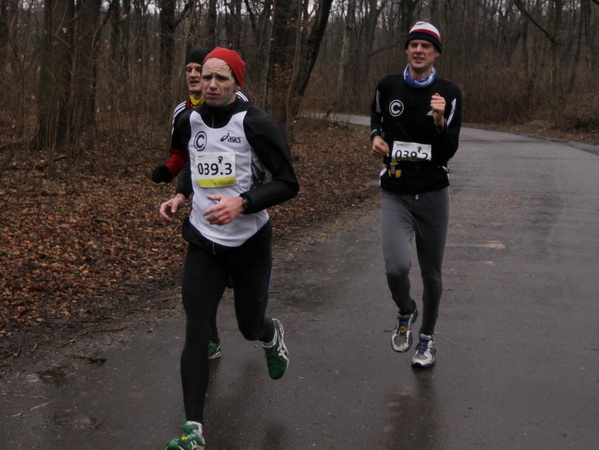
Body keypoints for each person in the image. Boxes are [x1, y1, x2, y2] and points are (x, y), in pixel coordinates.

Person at [159, 47, 299, 449]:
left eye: (221, 78)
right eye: (206, 76)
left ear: (237, 83)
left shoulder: (256, 123)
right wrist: (180, 195)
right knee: (197, 330)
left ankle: (270, 335)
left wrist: (243, 203)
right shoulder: (189, 119)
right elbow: (195, 162)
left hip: (249, 243)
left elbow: (288, 183)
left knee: (247, 326)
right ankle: (193, 430)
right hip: (203, 241)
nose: (212, 84)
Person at [370, 21, 462, 369]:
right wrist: (375, 138)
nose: (419, 50)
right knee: (396, 267)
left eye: (426, 46)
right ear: (407, 50)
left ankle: (426, 338)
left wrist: (439, 121)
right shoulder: (388, 85)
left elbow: (448, 150)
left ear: (436, 53)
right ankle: (406, 310)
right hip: (396, 191)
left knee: (431, 272)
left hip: (433, 192)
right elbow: (376, 116)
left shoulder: (449, 92)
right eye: (414, 45)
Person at [153, 47, 249, 360]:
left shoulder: (239, 105)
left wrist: (248, 200)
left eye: (201, 70)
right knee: (202, 289)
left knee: (244, 300)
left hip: (241, 211)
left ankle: (257, 317)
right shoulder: (182, 112)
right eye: (190, 70)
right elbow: (188, 158)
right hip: (205, 213)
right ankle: (210, 338)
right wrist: (176, 186)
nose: (195, 76)